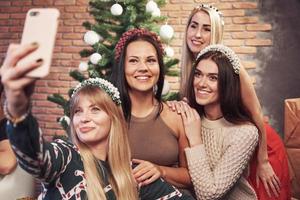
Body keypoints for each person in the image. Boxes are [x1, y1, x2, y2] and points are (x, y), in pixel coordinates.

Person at [0, 43, 195, 199]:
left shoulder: (131, 174)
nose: (84, 118)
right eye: (77, 111)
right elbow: (35, 155)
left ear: (113, 118)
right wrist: (18, 108)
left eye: (95, 109)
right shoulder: (66, 157)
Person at [175, 4, 290, 199]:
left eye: (206, 28)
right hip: (222, 136)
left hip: (259, 142)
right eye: (193, 26)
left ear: (215, 33)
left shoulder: (229, 63)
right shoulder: (193, 66)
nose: (197, 34)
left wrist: (262, 161)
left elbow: (256, 113)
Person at [110, 28, 192, 191]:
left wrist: (160, 170)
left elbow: (190, 177)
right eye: (133, 61)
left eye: (151, 60)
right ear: (122, 67)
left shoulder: (176, 115)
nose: (143, 68)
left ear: (159, 67)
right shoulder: (109, 116)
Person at [178, 44, 259, 199]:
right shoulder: (190, 117)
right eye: (198, 74)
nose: (201, 83)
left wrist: (195, 139)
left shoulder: (245, 133)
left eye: (213, 78)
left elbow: (209, 194)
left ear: (227, 83)